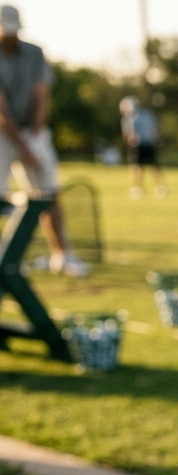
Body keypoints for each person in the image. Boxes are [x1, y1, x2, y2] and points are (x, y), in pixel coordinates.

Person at [0, 4, 86, 276]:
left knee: (48, 192)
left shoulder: (34, 53)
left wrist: (34, 136)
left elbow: (41, 95)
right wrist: (24, 148)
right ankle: (7, 255)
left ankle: (63, 255)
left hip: (32, 130)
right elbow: (1, 111)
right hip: (2, 133)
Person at [120, 96, 166, 199]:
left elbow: (127, 135)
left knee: (136, 167)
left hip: (137, 145)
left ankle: (137, 189)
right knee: (153, 166)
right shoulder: (148, 114)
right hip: (150, 144)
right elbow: (156, 130)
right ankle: (161, 187)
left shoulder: (128, 118)